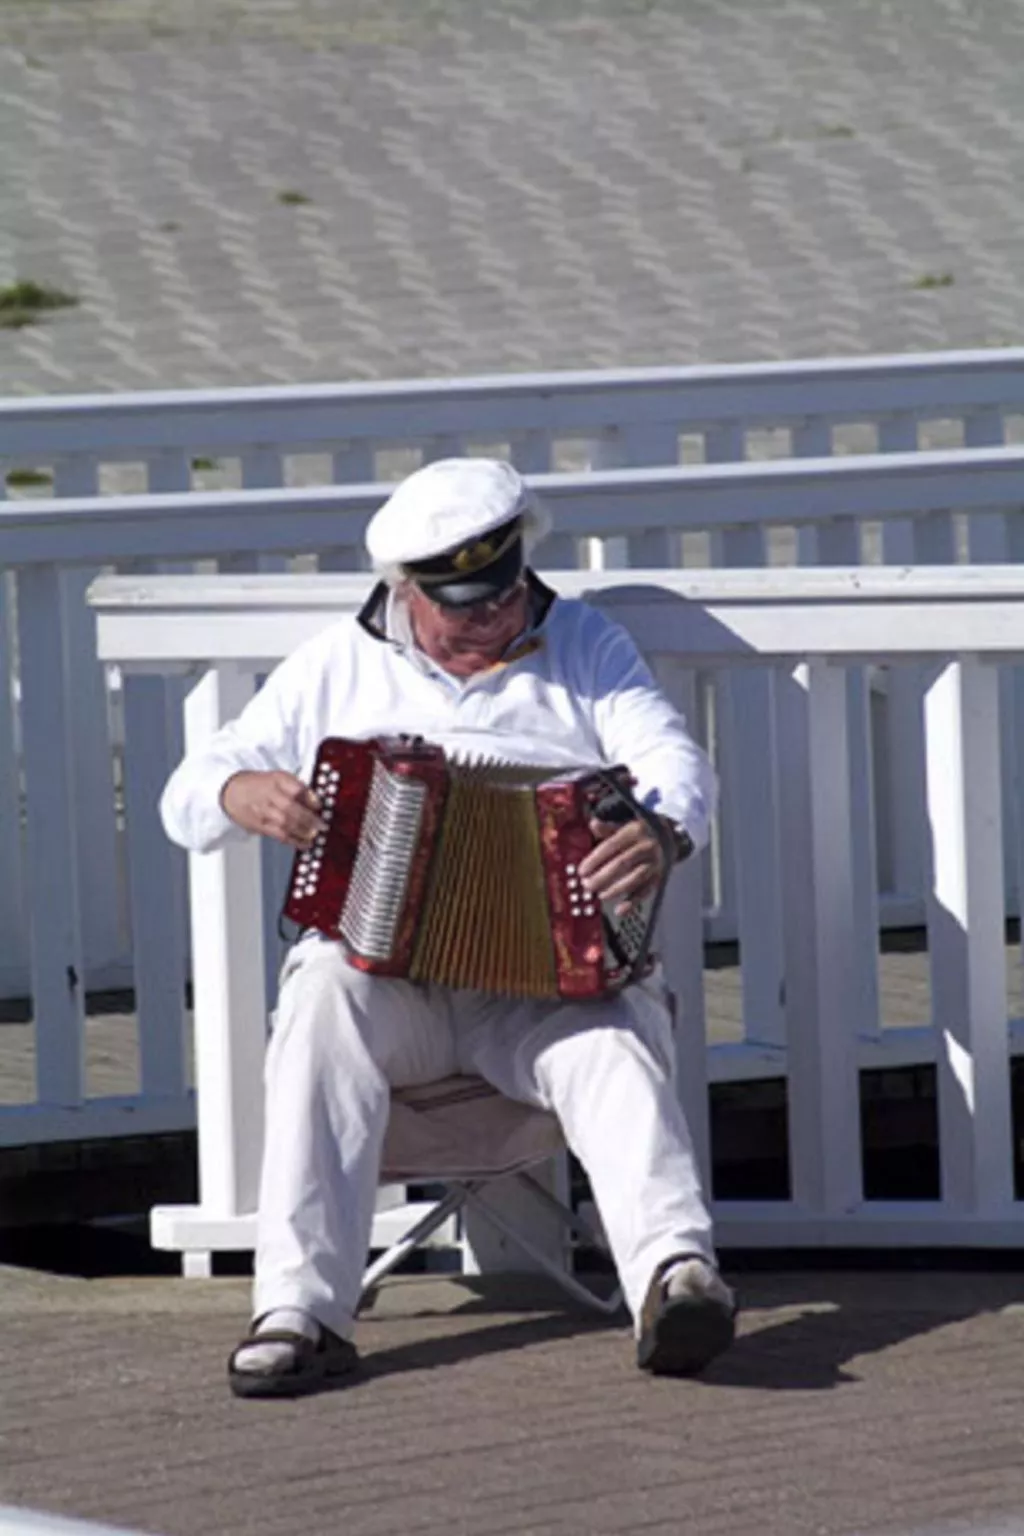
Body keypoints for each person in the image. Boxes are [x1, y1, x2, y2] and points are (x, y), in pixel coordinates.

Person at [161, 456, 736, 1399]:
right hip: (395, 990)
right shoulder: (336, 663)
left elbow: (671, 757)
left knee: (612, 1035)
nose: (492, 618)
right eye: (464, 606)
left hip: (544, 989)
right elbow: (187, 794)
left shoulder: (585, 644)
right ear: (406, 591)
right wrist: (241, 790)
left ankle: (678, 1281)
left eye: (505, 593)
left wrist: (661, 830)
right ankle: (299, 1313)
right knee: (321, 998)